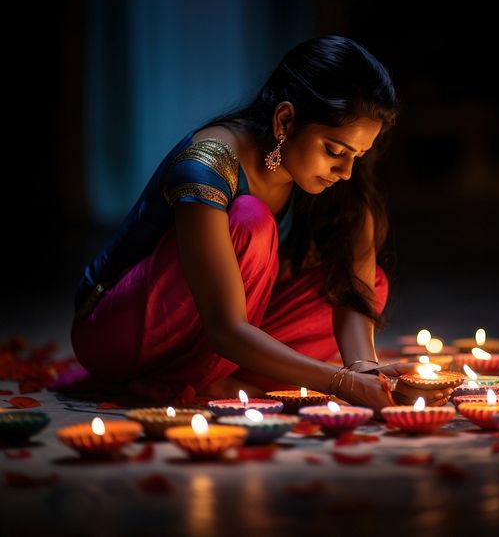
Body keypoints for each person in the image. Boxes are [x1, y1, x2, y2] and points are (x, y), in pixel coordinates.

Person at [71, 35, 448, 410]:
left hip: (210, 331)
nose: (347, 171)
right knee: (252, 223)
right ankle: (196, 378)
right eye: (335, 151)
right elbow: (226, 329)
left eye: (358, 156)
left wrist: (365, 371)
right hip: (117, 329)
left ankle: (200, 380)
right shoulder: (207, 166)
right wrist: (340, 383)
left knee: (366, 284)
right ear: (285, 120)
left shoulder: (329, 181)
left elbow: (352, 304)